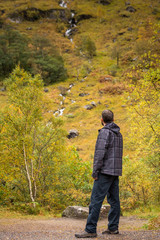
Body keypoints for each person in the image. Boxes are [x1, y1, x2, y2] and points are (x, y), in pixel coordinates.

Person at [75, 109, 123, 238]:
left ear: (102, 120)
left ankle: (90, 229)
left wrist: (95, 171)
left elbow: (99, 154)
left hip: (105, 172)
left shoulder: (104, 132)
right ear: (113, 119)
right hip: (115, 172)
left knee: (95, 201)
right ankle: (113, 228)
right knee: (114, 201)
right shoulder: (118, 134)